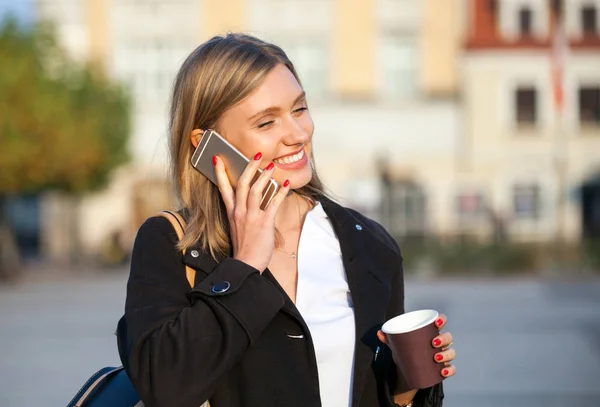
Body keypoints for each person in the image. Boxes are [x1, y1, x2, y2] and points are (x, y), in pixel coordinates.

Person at [119, 33, 456, 407]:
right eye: (266, 123)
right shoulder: (171, 243)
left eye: (299, 109)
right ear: (206, 143)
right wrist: (244, 266)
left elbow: (378, 393)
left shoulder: (369, 243)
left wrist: (407, 383)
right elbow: (164, 386)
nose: (298, 134)